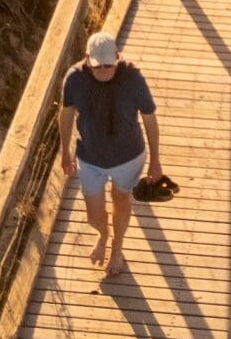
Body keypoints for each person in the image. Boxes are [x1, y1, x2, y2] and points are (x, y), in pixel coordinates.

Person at [58, 29, 164, 279]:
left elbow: (149, 119)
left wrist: (156, 161)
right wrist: (65, 151)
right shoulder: (74, 79)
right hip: (90, 157)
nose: (104, 71)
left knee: (121, 199)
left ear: (117, 56)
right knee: (94, 215)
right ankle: (102, 234)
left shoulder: (133, 78)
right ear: (87, 59)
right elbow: (66, 114)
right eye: (98, 67)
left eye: (109, 65)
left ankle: (117, 248)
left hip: (128, 156)